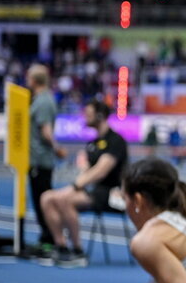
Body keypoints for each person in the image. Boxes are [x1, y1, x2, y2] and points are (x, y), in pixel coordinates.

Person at [40, 99, 129, 268]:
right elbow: (86, 171)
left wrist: (74, 187)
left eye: (88, 114)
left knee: (66, 199)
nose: (84, 118)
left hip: (111, 194)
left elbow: (101, 171)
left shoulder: (116, 141)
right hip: (93, 192)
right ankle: (62, 247)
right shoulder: (92, 144)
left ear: (100, 115)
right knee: (47, 198)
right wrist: (81, 169)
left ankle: (78, 251)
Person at [25, 64, 65, 262]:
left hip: (41, 159)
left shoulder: (43, 102)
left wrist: (57, 149)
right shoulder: (41, 100)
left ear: (34, 80)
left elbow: (46, 131)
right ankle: (46, 237)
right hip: (37, 158)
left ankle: (49, 239)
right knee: (40, 199)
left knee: (43, 200)